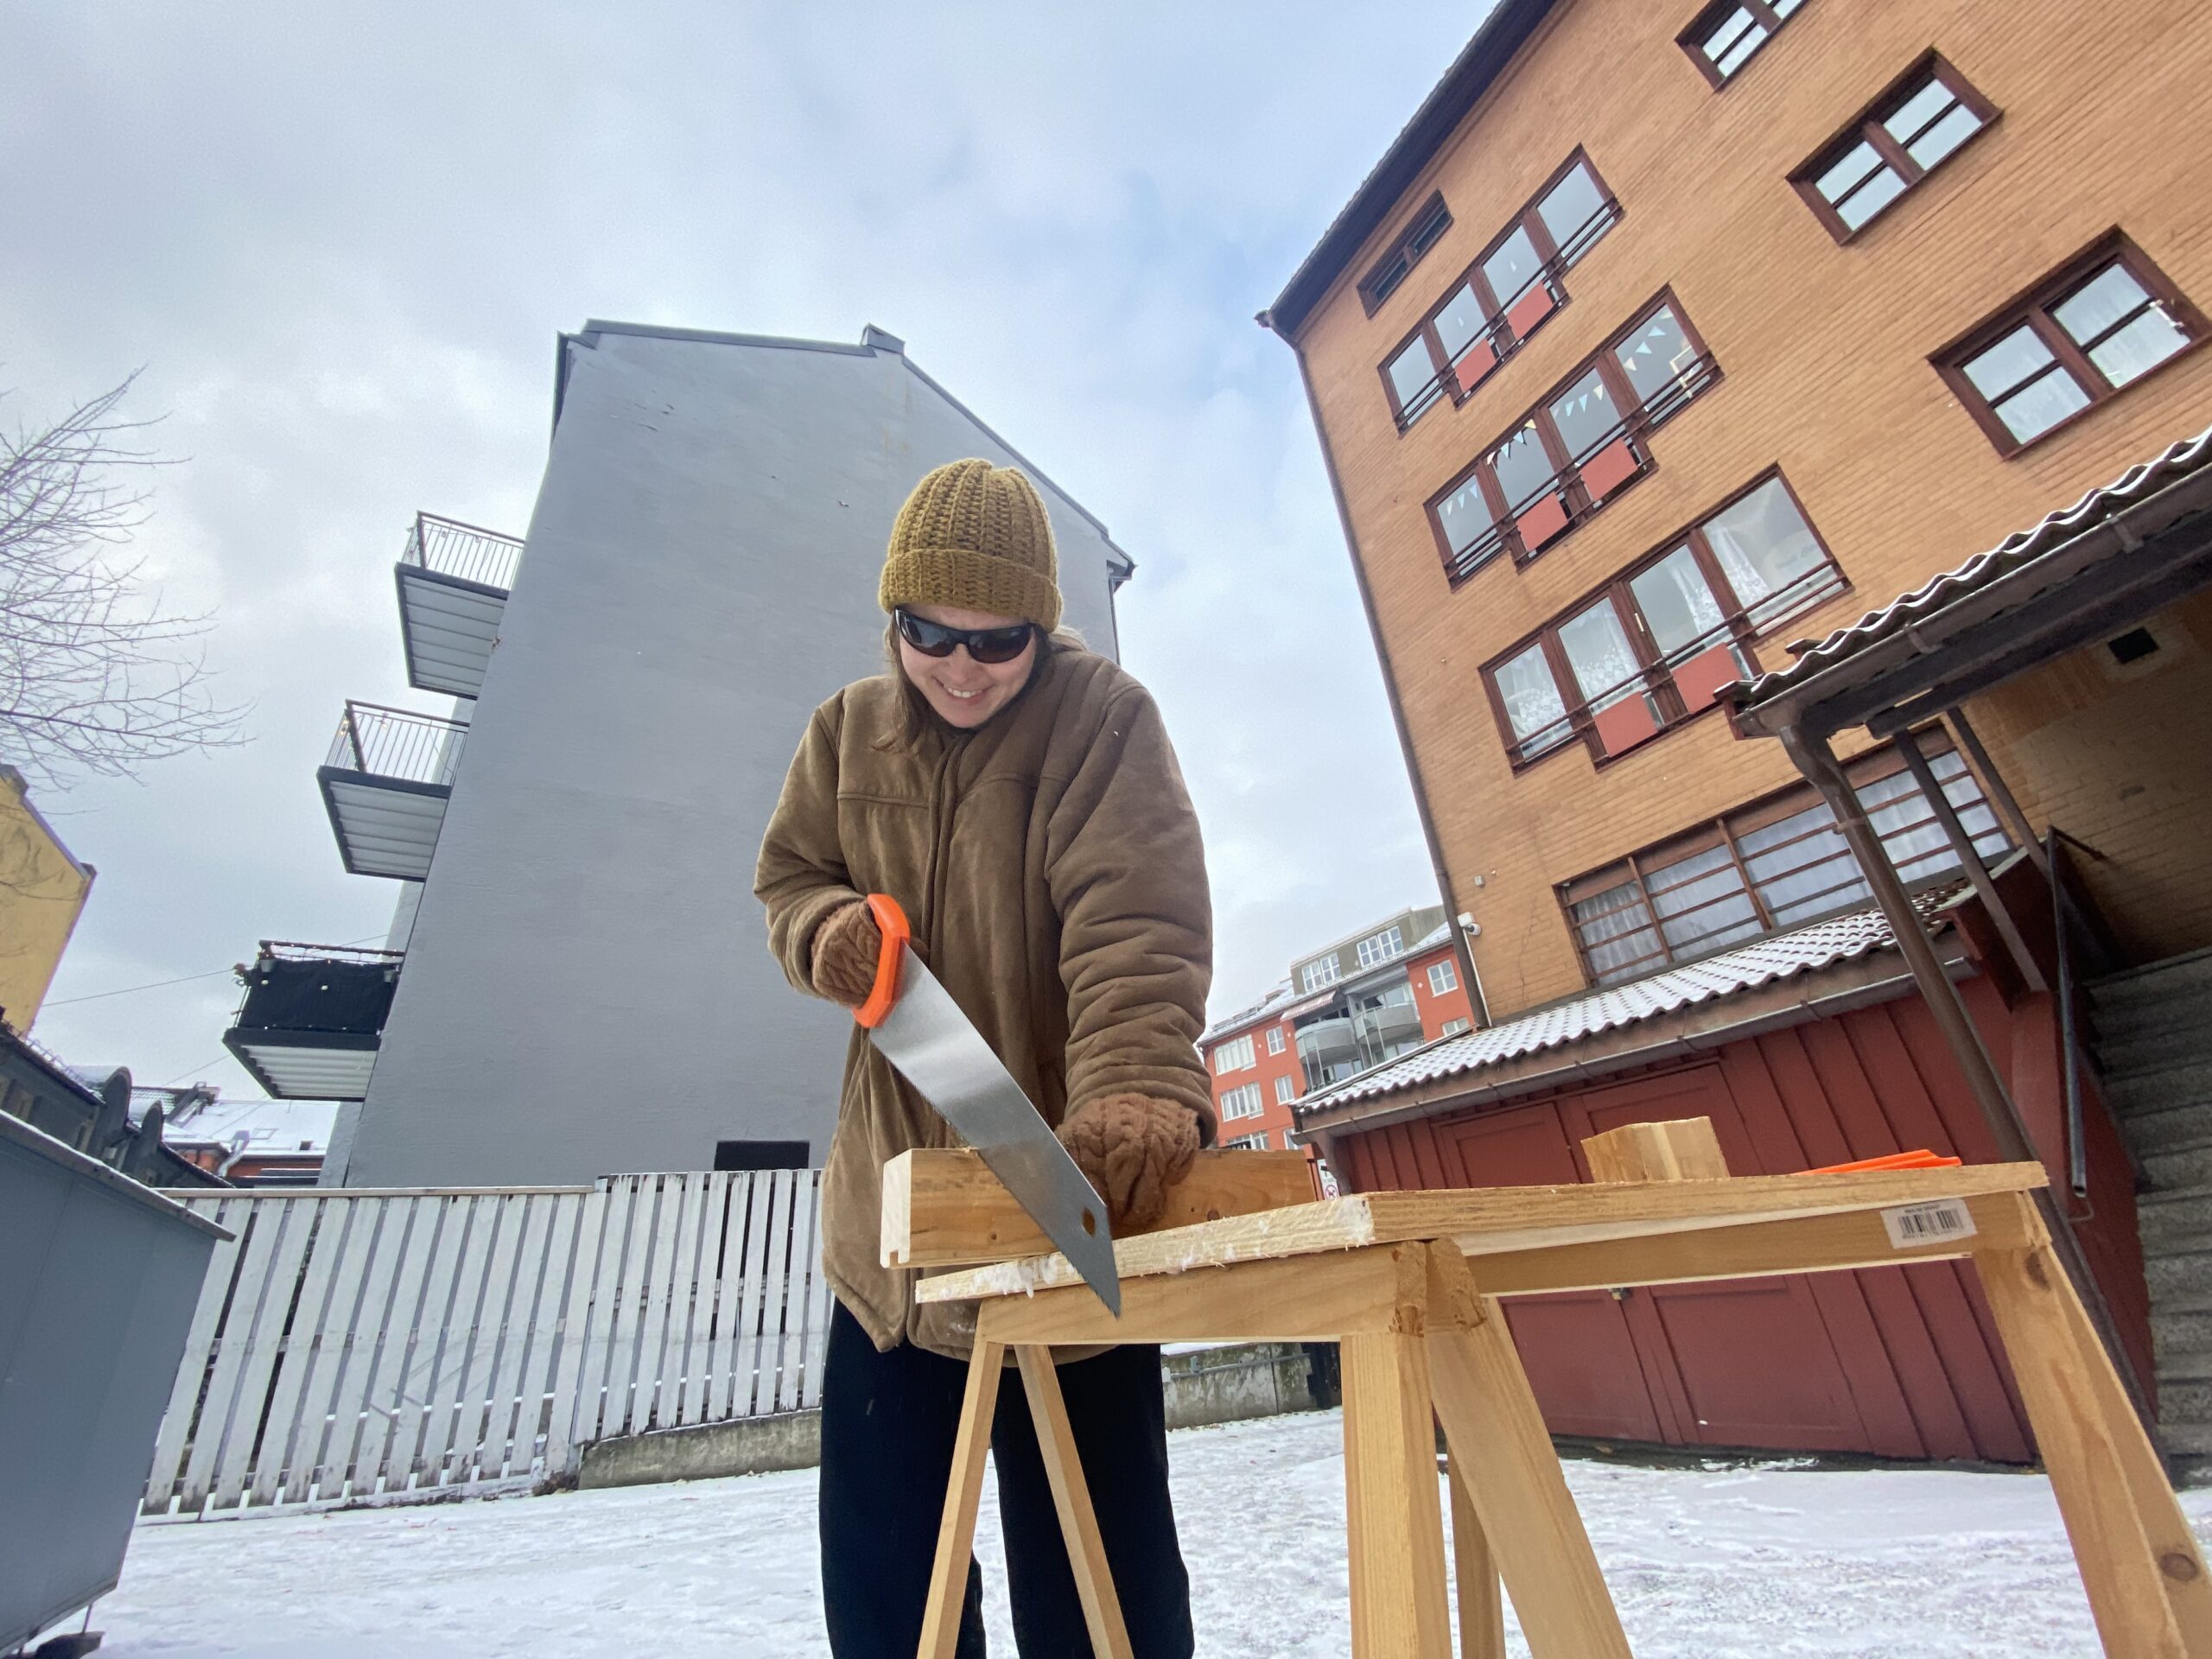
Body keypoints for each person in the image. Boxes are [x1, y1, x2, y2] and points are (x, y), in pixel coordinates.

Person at [755, 458, 1216, 1658]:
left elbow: (1137, 918)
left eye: (999, 642)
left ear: (1042, 627)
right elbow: (788, 882)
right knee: (891, 1588)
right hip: (891, 1242)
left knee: (1096, 1578)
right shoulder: (842, 734)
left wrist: (1130, 1086)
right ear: (893, 617)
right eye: (931, 635)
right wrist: (830, 939)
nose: (962, 667)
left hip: (1069, 1205)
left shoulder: (1103, 720)